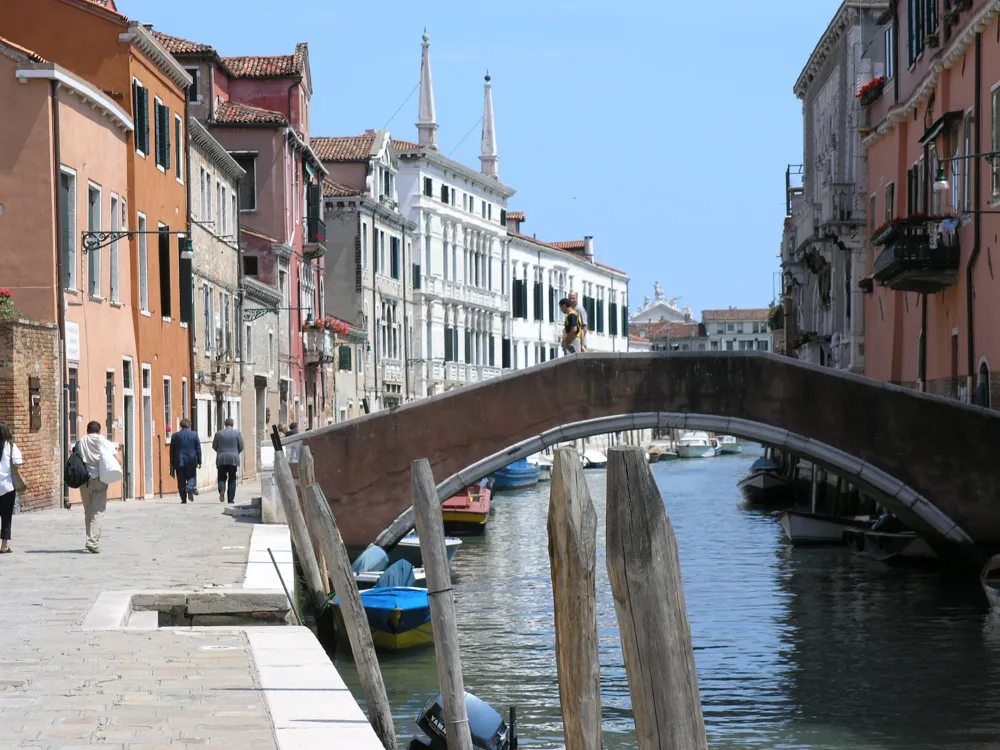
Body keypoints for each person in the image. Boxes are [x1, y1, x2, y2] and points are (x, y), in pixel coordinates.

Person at [76, 420, 117, 554]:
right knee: (98, 511)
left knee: (88, 510)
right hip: (100, 480)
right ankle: (92, 542)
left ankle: (90, 538)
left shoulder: (81, 442)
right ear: (99, 431)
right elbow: (118, 460)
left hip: (85, 481)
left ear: (87, 430)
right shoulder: (104, 442)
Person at [0, 421, 23, 554]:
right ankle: (4, 545)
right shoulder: (11, 446)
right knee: (6, 516)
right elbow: (18, 462)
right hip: (7, 487)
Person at [212, 418, 245, 504]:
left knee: (221, 477)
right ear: (232, 424)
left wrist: (220, 452)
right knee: (232, 478)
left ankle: (222, 490)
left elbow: (214, 446)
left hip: (221, 458)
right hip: (233, 458)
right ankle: (230, 499)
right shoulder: (237, 433)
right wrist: (235, 452)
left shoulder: (218, 433)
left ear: (225, 424)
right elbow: (241, 446)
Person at [169, 419, 201, 504]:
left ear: (181, 425)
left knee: (181, 480)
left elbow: (172, 450)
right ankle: (189, 487)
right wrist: (199, 461)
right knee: (191, 477)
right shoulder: (194, 435)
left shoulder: (175, 436)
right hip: (191, 460)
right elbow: (198, 449)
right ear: (189, 425)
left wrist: (172, 462)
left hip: (179, 461)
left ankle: (183, 499)